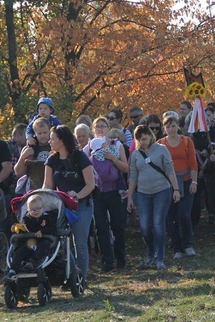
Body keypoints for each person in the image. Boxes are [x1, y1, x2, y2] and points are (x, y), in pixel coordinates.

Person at [43, 125, 95, 281]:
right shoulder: (52, 160)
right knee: (60, 242)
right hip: (61, 207)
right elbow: (47, 185)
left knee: (79, 242)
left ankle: (81, 278)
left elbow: (90, 184)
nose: (50, 141)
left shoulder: (80, 157)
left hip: (82, 205)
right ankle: (64, 274)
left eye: (53, 138)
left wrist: (77, 196)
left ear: (62, 141)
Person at [127, 124, 179, 270]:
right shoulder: (136, 154)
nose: (143, 142)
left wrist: (176, 189)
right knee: (144, 226)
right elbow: (133, 177)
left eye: (145, 138)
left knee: (158, 224)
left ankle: (160, 258)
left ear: (150, 136)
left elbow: (170, 170)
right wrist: (130, 197)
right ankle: (151, 251)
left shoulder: (162, 149)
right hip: (143, 193)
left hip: (161, 190)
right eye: (140, 140)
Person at [86, 117, 128, 272]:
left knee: (117, 226)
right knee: (101, 228)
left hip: (114, 190)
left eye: (103, 126)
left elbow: (126, 168)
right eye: (97, 126)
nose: (100, 129)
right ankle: (107, 261)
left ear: (109, 128)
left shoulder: (117, 145)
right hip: (97, 192)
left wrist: (114, 159)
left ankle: (121, 259)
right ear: (93, 129)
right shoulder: (88, 147)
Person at [157, 114, 198, 259]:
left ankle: (188, 245)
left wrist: (194, 181)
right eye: (168, 126)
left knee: (184, 214)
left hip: (186, 180)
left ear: (178, 126)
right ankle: (177, 248)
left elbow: (193, 163)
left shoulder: (186, 141)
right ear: (164, 128)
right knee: (172, 216)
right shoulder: (160, 143)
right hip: (169, 184)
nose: (171, 129)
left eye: (173, 125)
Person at [10, 194, 58, 272]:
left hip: (43, 240)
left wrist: (42, 231)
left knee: (43, 246)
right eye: (32, 210)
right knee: (20, 250)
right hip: (30, 241)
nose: (35, 212)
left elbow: (53, 229)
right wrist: (16, 228)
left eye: (37, 209)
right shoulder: (27, 219)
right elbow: (24, 229)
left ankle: (32, 262)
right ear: (28, 210)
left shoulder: (47, 218)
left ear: (44, 208)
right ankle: (13, 269)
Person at [14, 118, 53, 195]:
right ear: (35, 133)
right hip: (33, 191)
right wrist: (23, 157)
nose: (43, 136)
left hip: (53, 191)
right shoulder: (29, 147)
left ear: (50, 131)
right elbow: (18, 173)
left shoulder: (56, 146)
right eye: (39, 133)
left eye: (45, 132)